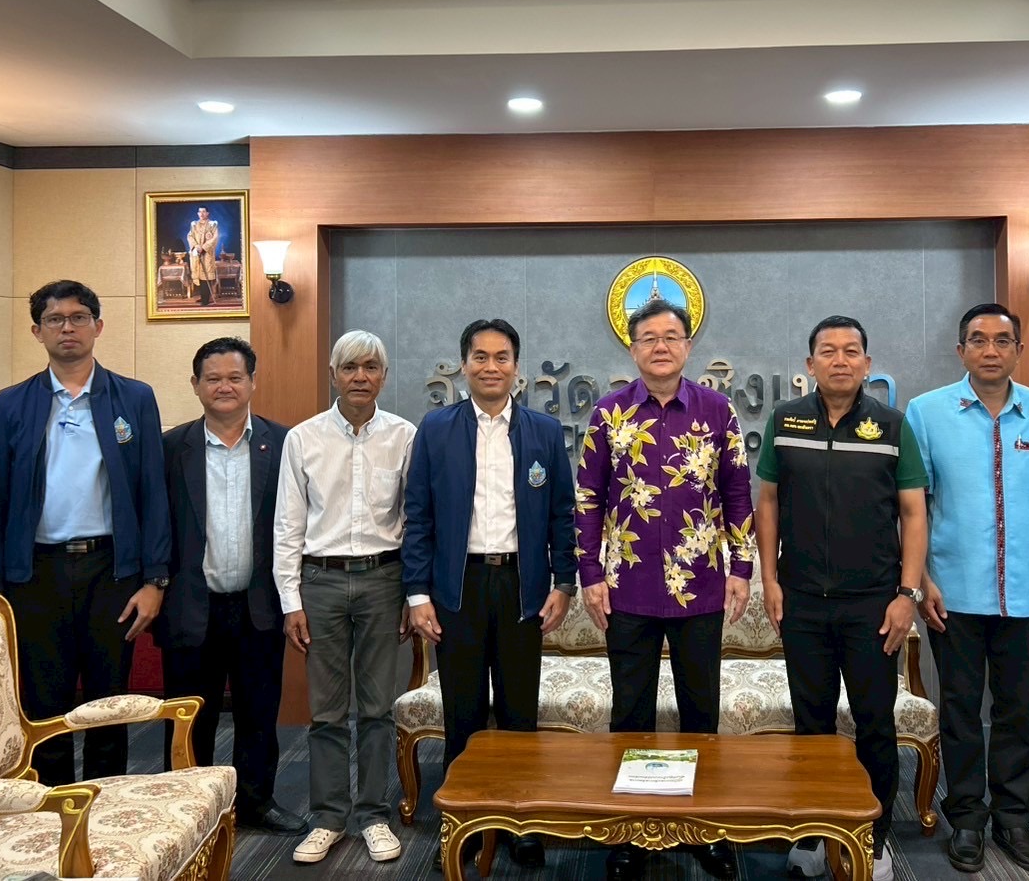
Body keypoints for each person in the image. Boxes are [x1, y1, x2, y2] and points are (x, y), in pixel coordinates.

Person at [575, 297, 755, 881]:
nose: (661, 346)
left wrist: (742, 567)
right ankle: (630, 831)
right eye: (649, 337)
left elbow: (737, 493)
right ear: (632, 350)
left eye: (671, 336)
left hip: (700, 585)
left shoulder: (718, 410)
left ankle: (705, 829)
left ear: (688, 346)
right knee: (630, 712)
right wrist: (590, 574)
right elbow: (588, 500)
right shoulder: (608, 413)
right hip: (627, 588)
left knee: (701, 712)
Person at [903, 303, 1029, 874]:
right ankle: (967, 821)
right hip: (951, 594)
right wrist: (921, 580)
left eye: (1003, 340)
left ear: (1018, 350)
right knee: (958, 710)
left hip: (1027, 594)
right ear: (961, 351)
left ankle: (1014, 820)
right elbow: (914, 506)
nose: (990, 350)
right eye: (978, 340)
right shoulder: (927, 413)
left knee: (1016, 711)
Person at [756, 316, 929, 881]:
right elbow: (768, 503)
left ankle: (871, 839)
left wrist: (907, 594)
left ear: (867, 364)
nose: (840, 360)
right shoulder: (785, 421)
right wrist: (770, 580)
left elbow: (913, 513)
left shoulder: (892, 426)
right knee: (812, 726)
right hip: (803, 601)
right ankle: (813, 834)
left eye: (851, 351)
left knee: (875, 723)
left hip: (873, 605)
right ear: (810, 365)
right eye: (828, 351)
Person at [0, 279, 170, 787]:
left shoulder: (134, 398)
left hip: (111, 571)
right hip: (36, 574)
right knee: (46, 704)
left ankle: (106, 805)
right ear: (37, 331)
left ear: (98, 326)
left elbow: (153, 492)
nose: (68, 327)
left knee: (109, 702)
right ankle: (52, 807)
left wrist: (155, 580)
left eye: (79, 317)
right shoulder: (10, 405)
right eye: (55, 319)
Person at [402, 318, 576, 872]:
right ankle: (465, 827)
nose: (491, 366)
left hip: (523, 586)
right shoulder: (436, 429)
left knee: (521, 715)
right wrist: (417, 593)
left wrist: (564, 583)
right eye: (480, 356)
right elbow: (418, 516)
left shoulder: (543, 431)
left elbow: (563, 515)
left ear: (516, 367)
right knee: (465, 714)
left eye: (502, 357)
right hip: (459, 589)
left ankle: (521, 825)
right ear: (464, 365)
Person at [273, 330, 415, 865]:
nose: (361, 376)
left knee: (378, 709)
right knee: (328, 712)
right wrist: (291, 601)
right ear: (333, 375)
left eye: (371, 367)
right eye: (350, 367)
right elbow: (287, 526)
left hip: (384, 581)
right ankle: (329, 817)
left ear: (384, 376)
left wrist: (412, 594)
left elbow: (415, 521)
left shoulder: (405, 436)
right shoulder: (302, 439)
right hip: (321, 582)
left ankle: (373, 814)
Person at [157, 337, 305, 834]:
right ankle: (187, 809)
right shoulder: (170, 448)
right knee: (188, 714)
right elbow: (157, 525)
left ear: (252, 383)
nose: (224, 386)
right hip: (191, 603)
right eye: (213, 378)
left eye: (235, 377)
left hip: (257, 603)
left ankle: (256, 802)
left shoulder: (283, 444)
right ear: (195, 385)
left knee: (258, 711)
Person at [188, 206, 219, 306]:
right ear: (198, 213)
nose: (201, 214)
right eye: (199, 212)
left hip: (207, 254)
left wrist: (204, 247)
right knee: (200, 276)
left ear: (207, 213)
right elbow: (190, 236)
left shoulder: (212, 224)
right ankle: (203, 296)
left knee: (206, 276)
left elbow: (214, 238)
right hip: (197, 253)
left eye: (204, 211)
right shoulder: (194, 225)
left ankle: (206, 299)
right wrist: (196, 246)